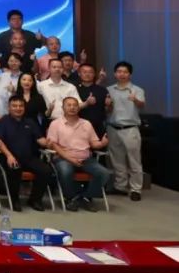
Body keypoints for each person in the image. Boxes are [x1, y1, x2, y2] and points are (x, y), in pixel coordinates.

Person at [46, 96, 110, 211]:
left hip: (86, 159)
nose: (72, 108)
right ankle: (71, 198)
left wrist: (102, 143)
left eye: (75, 105)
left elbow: (94, 143)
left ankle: (85, 197)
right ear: (63, 108)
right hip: (63, 158)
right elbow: (53, 145)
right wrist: (70, 159)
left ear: (78, 108)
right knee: (66, 171)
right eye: (69, 105)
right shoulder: (55, 124)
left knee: (104, 173)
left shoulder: (86, 123)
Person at [0, 96, 53, 211]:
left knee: (46, 170)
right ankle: (15, 200)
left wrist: (47, 143)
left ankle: (35, 200)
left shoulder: (30, 122)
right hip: (9, 157)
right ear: (9, 107)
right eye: (14, 106)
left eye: (21, 106)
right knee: (15, 168)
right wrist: (9, 156)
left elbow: (39, 139)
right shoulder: (2, 122)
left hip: (28, 158)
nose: (18, 108)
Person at [106, 61, 145, 200]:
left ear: (130, 74)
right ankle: (120, 186)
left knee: (134, 160)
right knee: (117, 160)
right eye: (119, 71)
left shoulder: (137, 90)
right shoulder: (109, 90)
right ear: (114, 74)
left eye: (125, 72)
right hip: (112, 127)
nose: (122, 74)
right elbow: (107, 110)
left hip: (130, 129)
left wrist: (135, 100)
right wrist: (107, 105)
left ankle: (136, 189)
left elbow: (142, 105)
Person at [38, 58, 79, 124]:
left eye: (60, 67)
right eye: (54, 67)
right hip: (48, 121)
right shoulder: (41, 86)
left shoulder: (71, 87)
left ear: (63, 69)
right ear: (49, 68)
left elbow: (78, 104)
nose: (57, 69)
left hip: (68, 121)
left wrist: (87, 103)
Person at [74, 63, 109, 138]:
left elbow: (107, 110)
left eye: (90, 72)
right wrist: (86, 103)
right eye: (84, 72)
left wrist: (109, 105)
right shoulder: (74, 89)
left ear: (94, 74)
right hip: (78, 127)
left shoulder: (102, 90)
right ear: (79, 74)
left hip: (98, 128)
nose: (87, 74)